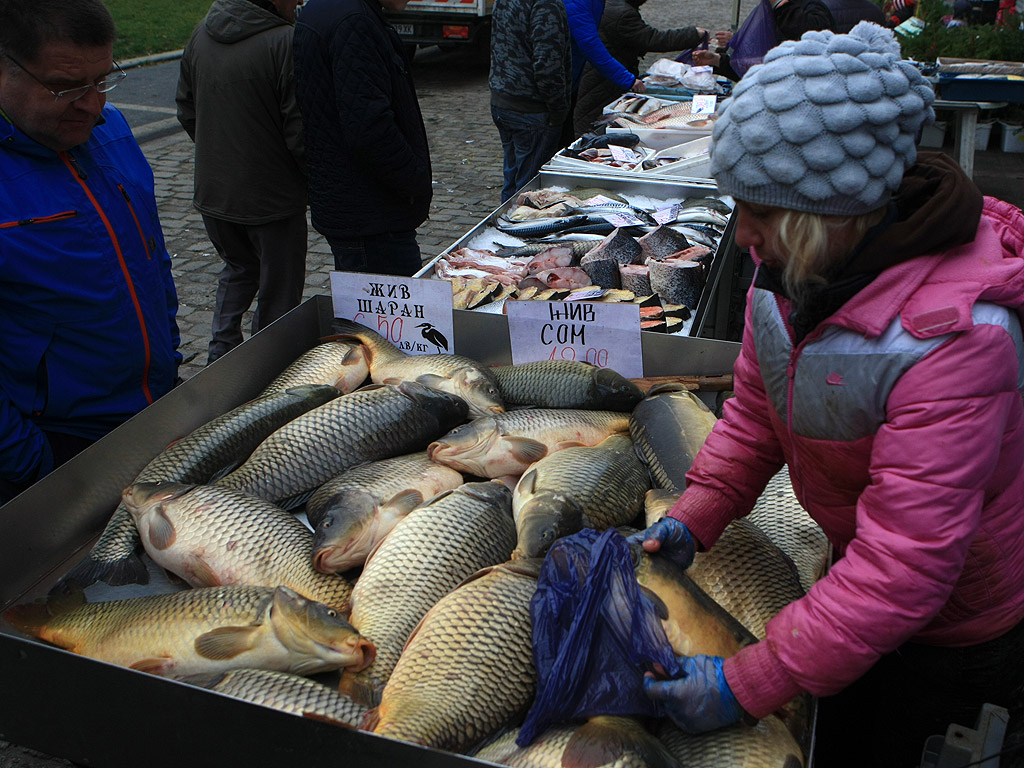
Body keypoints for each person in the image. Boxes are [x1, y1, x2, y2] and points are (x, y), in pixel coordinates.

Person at [632, 22, 1024, 768]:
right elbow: (755, 413)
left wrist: (750, 681)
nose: (742, 233)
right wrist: (698, 513)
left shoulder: (955, 340)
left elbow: (905, 566)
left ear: (836, 211)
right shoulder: (791, 273)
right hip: (862, 585)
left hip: (955, 627)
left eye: (764, 210)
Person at [0, 0, 181, 505]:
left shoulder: (114, 130)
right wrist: (33, 466)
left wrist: (168, 362)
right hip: (58, 449)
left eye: (102, 80)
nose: (93, 105)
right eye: (65, 87)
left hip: (152, 414)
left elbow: (151, 258)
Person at [176, 0, 309, 364]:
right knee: (279, 291)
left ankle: (221, 352)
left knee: (238, 268)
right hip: (273, 198)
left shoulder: (201, 33)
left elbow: (186, 109)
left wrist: (220, 157)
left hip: (216, 193)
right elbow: (299, 130)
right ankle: (267, 366)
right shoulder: (284, 42)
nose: (299, 2)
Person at [293, 0, 432, 277]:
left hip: (354, 206)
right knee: (390, 317)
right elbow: (370, 128)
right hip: (371, 215)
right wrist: (413, 181)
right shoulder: (353, 20)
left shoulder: (332, 9)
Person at [571, 0, 707, 136]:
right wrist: (693, 34)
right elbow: (652, 39)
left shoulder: (614, 6)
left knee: (586, 121)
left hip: (603, 76)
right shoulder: (622, 13)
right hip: (604, 81)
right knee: (590, 126)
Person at [488, 0, 572, 202]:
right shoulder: (546, 4)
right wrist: (559, 111)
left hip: (504, 101)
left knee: (513, 180)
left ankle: (506, 220)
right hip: (531, 109)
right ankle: (515, 228)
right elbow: (547, 67)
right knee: (529, 189)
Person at [694, 0, 834, 80]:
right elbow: (754, 63)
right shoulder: (767, 13)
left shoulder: (812, 9)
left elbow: (807, 31)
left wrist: (780, 4)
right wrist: (716, 60)